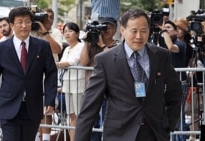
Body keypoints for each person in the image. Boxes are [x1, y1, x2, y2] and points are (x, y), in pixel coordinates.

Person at [74, 9, 182, 141]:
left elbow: (175, 91)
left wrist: (169, 123)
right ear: (123, 30)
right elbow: (90, 106)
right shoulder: (105, 60)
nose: (139, 36)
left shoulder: (161, 55)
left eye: (143, 31)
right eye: (134, 31)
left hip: (155, 132)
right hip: (119, 133)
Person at [0, 7, 57, 141]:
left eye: (27, 21)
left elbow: (51, 73)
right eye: (20, 22)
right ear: (12, 25)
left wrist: (50, 99)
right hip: (9, 106)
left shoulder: (42, 46)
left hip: (32, 107)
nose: (24, 25)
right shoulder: (1, 49)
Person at [80, 17, 119, 141]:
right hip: (92, 89)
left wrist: (102, 45)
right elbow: (84, 61)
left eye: (109, 27)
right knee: (92, 123)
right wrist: (86, 42)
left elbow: (113, 61)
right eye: (104, 26)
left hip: (110, 92)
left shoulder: (118, 45)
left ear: (116, 30)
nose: (106, 29)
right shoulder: (92, 43)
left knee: (108, 124)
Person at [31, 8, 63, 141]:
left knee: (47, 108)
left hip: (49, 75)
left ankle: (45, 138)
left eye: (50, 17)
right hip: (33, 75)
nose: (48, 19)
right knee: (33, 108)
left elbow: (57, 49)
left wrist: (45, 33)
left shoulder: (54, 32)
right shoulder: (31, 30)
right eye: (45, 16)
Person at [56, 22, 85, 141]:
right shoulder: (67, 48)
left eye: (70, 31)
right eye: (65, 31)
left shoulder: (81, 46)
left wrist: (51, 64)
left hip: (78, 83)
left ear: (77, 33)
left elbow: (71, 62)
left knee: (78, 116)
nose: (67, 33)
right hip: (67, 84)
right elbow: (62, 65)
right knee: (71, 115)